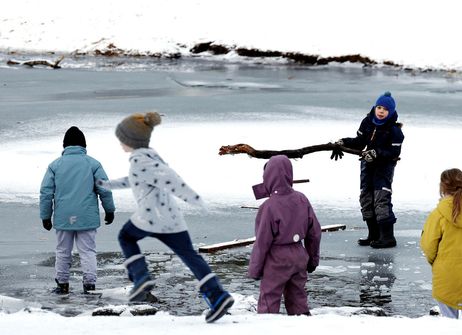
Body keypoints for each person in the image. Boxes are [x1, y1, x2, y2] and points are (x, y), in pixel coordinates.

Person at [97, 111, 233, 323]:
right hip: (171, 219)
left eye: (121, 139)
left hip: (153, 216)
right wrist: (107, 185)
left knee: (126, 237)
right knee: (190, 256)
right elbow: (135, 179)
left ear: (130, 140)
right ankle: (218, 296)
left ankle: (141, 278)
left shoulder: (142, 160)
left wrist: (193, 197)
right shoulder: (147, 157)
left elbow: (170, 178)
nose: (120, 143)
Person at [40, 126, 116, 294]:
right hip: (86, 218)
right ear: (83, 145)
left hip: (63, 217)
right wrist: (109, 210)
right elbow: (104, 189)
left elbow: (46, 192)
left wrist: (46, 216)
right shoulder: (93, 164)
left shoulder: (55, 165)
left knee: (62, 251)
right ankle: (89, 285)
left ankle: (62, 284)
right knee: (88, 251)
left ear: (64, 145)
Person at [248, 155, 322, 315]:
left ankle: (267, 329)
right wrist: (312, 259)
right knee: (297, 298)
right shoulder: (302, 199)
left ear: (268, 177)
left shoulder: (268, 207)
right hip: (299, 256)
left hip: (277, 260)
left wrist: (255, 269)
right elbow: (314, 233)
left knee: (269, 298)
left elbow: (262, 243)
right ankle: (300, 324)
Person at [331, 92, 404, 248]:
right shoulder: (367, 122)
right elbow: (359, 142)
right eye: (379, 107)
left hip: (383, 168)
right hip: (367, 165)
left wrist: (377, 153)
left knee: (381, 199)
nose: (381, 111)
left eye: (385, 109)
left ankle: (387, 237)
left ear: (390, 112)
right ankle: (373, 234)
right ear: (374, 107)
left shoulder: (394, 130)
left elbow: (394, 152)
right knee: (366, 198)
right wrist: (343, 142)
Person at [420, 168, 462, 319]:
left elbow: (428, 246)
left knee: (449, 326)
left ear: (442, 187)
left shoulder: (438, 214)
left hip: (447, 280)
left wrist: (437, 262)